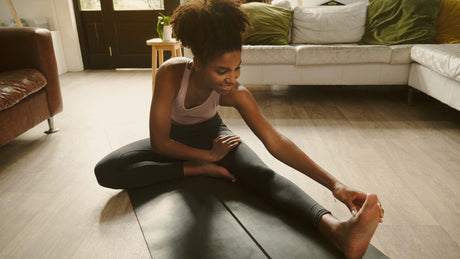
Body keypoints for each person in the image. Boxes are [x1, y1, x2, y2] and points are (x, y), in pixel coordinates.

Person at [94, 0, 384, 258]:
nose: (231, 79)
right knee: (106, 170)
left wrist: (336, 185)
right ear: (197, 63)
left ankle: (338, 230)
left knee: (262, 175)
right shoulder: (171, 74)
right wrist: (205, 160)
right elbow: (159, 143)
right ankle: (193, 169)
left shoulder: (235, 93)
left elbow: (276, 141)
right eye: (222, 71)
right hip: (175, 144)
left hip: (214, 137)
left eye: (237, 69)